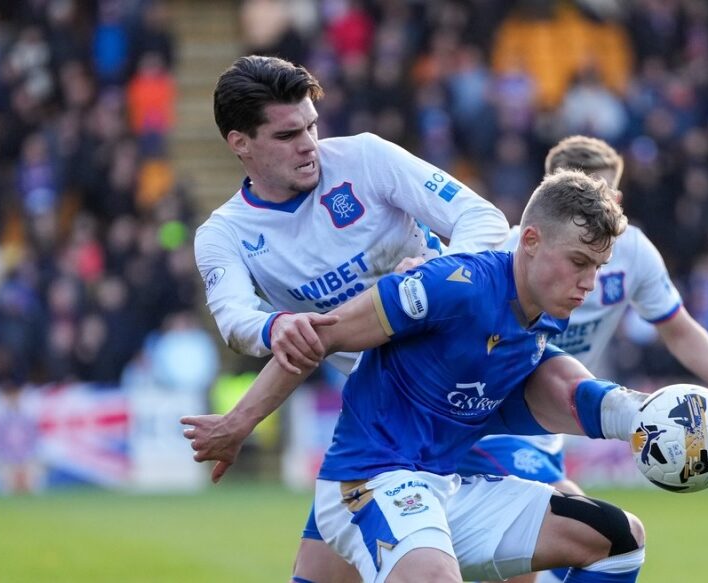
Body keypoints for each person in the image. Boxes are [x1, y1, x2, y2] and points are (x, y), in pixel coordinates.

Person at [183, 170, 649, 583]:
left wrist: (634, 415)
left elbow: (542, 396)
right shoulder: (451, 285)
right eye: (579, 263)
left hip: (446, 486)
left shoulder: (547, 315)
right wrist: (238, 423)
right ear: (529, 241)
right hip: (371, 478)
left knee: (619, 539)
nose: (589, 283)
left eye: (598, 267)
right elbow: (320, 337)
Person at [458, 136, 708, 583]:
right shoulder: (512, 252)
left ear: (617, 200)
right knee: (566, 536)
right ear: (549, 196)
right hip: (490, 417)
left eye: (600, 196)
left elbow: (677, 325)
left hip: (555, 415)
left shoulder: (633, 253)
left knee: (577, 544)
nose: (590, 210)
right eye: (576, 196)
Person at [194, 55, 509, 583]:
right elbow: (235, 319)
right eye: (288, 133)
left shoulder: (365, 158)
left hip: (467, 377)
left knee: (548, 550)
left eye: (312, 125)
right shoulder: (224, 234)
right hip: (382, 411)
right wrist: (275, 329)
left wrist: (434, 272)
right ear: (239, 143)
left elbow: (484, 219)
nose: (309, 144)